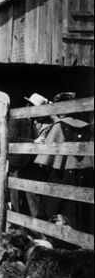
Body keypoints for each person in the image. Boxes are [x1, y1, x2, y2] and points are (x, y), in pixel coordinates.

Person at [34, 92, 94, 234]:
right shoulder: (87, 127)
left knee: (55, 206)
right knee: (80, 209)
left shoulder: (58, 126)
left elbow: (46, 157)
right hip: (84, 172)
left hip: (62, 172)